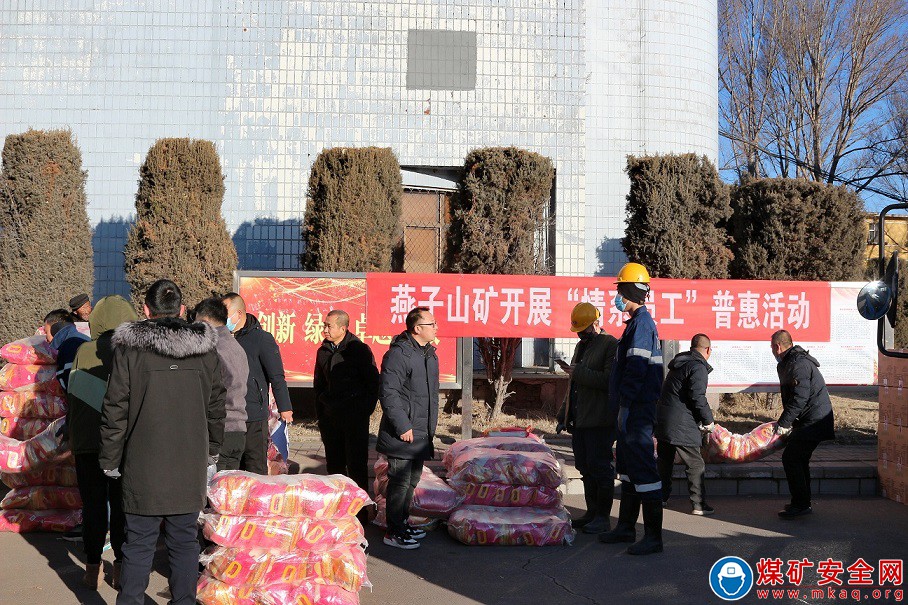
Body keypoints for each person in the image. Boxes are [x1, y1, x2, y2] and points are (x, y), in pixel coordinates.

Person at [99, 280, 226, 605]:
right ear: (182, 311)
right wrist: (211, 450)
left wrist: (110, 459)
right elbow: (216, 406)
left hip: (142, 467)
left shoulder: (129, 350)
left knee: (137, 544)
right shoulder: (205, 350)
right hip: (188, 466)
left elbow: (115, 409)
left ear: (145, 310)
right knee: (184, 543)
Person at [66, 295, 137, 590]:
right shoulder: (134, 352)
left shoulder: (83, 350)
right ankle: (120, 568)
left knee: (93, 507)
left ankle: (91, 568)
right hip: (122, 444)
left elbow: (73, 394)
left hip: (87, 442)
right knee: (122, 507)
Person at [598, 262, 665, 555]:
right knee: (627, 470)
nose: (617, 298)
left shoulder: (641, 325)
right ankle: (626, 528)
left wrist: (625, 404)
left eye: (620, 291)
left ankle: (653, 537)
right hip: (631, 409)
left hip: (637, 410)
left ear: (629, 291)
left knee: (643, 471)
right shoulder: (635, 324)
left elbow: (636, 368)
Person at [376, 307, 439, 550]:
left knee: (412, 480)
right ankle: (393, 532)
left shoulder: (428, 354)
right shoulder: (398, 354)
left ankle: (402, 522)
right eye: (431, 323)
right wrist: (402, 425)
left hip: (422, 430)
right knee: (399, 482)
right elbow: (389, 393)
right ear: (417, 328)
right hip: (403, 431)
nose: (436, 327)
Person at [555, 302, 619, 534]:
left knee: (600, 467)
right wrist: (564, 414)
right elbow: (574, 385)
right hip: (581, 420)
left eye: (584, 329)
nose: (581, 334)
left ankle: (603, 516)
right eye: (578, 331)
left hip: (600, 420)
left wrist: (578, 372)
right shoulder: (582, 346)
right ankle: (592, 513)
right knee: (585, 466)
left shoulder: (610, 345)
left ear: (595, 323)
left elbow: (609, 381)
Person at [222, 292, 293, 474]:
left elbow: (276, 376)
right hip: (227, 413)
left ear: (239, 314)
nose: (223, 317)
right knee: (230, 469)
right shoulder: (222, 338)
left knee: (254, 466)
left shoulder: (261, 338)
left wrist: (285, 408)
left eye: (226, 312)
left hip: (253, 412)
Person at [314, 310, 380, 499]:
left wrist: (363, 410)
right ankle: (338, 505)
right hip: (330, 417)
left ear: (342, 328)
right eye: (324, 325)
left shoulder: (358, 350)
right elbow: (318, 384)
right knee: (334, 465)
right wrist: (321, 413)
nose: (325, 329)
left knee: (356, 465)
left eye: (329, 326)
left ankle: (360, 510)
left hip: (354, 418)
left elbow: (372, 382)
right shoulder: (323, 350)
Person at [771, 329, 835, 519]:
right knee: (799, 458)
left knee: (791, 458)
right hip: (810, 419)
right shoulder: (792, 361)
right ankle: (802, 502)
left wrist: (785, 423)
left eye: (772, 348)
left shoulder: (798, 364)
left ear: (777, 346)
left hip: (815, 420)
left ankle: (800, 503)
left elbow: (800, 397)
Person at [656, 333, 716, 516]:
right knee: (695, 464)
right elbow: (697, 397)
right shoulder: (697, 367)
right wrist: (708, 420)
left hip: (665, 420)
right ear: (708, 350)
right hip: (681, 423)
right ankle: (698, 504)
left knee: (665, 461)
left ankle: (660, 497)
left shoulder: (680, 363)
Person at [194, 298, 249, 472]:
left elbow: (212, 392)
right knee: (229, 494)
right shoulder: (236, 346)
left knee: (214, 494)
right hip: (239, 430)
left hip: (221, 431)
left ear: (205, 321)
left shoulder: (213, 349)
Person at [44, 309, 90, 391]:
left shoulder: (69, 345)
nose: (46, 339)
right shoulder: (82, 339)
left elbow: (69, 384)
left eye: (46, 332)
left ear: (55, 327)